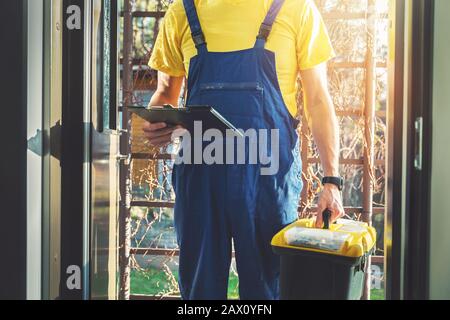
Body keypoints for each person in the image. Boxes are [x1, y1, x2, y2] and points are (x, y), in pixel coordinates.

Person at [143, 0, 345, 300]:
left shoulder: (295, 9)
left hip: (267, 183)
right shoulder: (183, 12)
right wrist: (159, 120)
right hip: (201, 181)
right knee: (200, 295)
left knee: (268, 292)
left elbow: (318, 100)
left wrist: (332, 181)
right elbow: (165, 94)